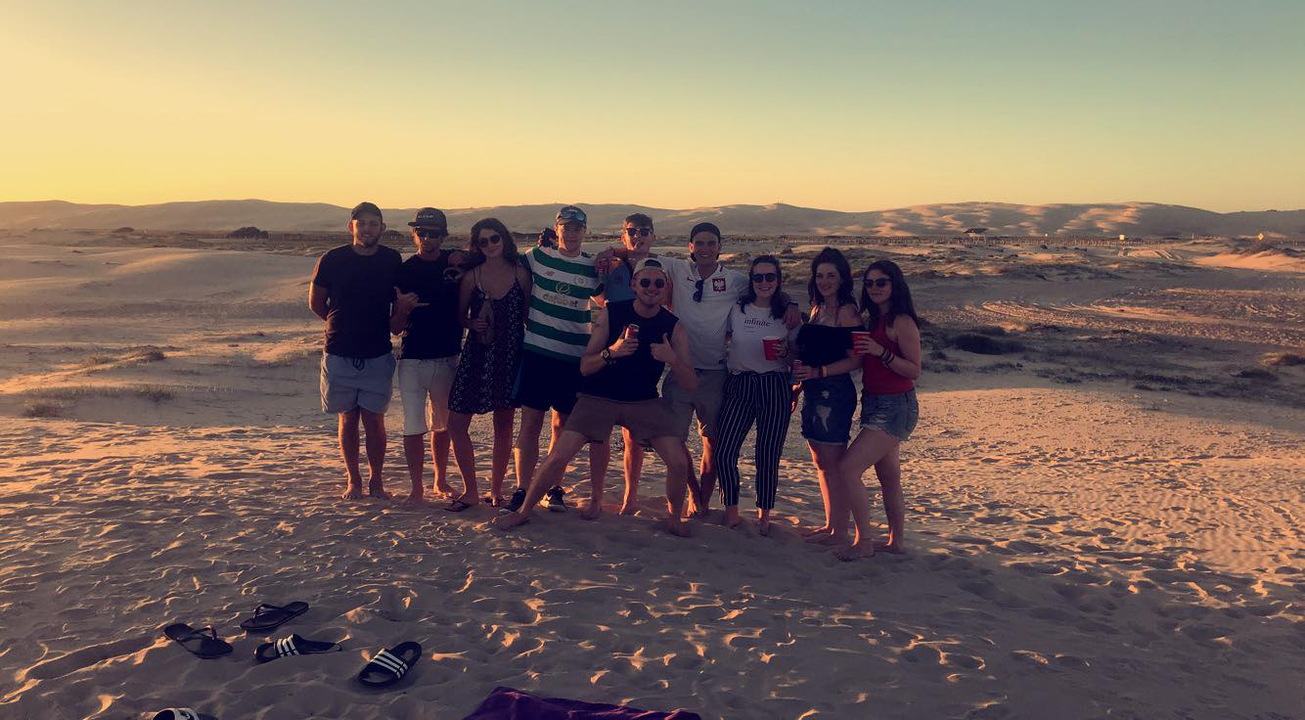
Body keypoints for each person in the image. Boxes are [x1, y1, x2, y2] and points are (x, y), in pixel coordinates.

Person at [610, 222, 800, 517]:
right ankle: (693, 492)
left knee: (713, 442)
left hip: (715, 373)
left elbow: (766, 287)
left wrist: (791, 302)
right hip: (680, 369)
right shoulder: (675, 268)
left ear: (720, 248)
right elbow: (640, 253)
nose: (705, 249)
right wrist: (611, 251)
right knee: (674, 438)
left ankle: (703, 501)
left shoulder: (735, 280)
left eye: (711, 243)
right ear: (691, 247)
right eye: (700, 243)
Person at [493, 258, 694, 534]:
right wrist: (613, 351)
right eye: (645, 282)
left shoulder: (673, 326)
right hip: (598, 397)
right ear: (634, 284)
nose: (652, 288)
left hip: (643, 401)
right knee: (558, 455)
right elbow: (585, 367)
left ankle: (674, 520)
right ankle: (524, 511)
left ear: (666, 287)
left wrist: (672, 358)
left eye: (658, 283)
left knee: (679, 461)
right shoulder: (613, 313)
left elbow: (691, 382)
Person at [504, 205, 610, 515]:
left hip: (572, 356)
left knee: (562, 426)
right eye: (566, 225)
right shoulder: (537, 257)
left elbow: (606, 301)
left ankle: (553, 488)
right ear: (557, 228)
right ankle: (523, 488)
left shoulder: (592, 267)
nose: (572, 231)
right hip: (537, 352)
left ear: (585, 231)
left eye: (578, 227)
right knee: (530, 423)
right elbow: (506, 265)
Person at [308, 201, 405, 501]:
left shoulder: (391, 260)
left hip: (377, 352)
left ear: (382, 228)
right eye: (361, 223)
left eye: (373, 223)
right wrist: (340, 324)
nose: (367, 229)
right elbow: (316, 303)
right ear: (351, 227)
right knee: (347, 418)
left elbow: (397, 307)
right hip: (339, 352)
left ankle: (376, 481)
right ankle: (354, 480)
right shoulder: (332, 259)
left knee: (374, 420)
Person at [835, 260, 922, 560]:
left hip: (896, 405)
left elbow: (913, 370)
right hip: (873, 401)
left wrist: (880, 352)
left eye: (881, 282)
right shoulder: (872, 320)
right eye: (869, 283)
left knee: (847, 468)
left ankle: (864, 541)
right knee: (889, 478)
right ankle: (896, 541)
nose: (874, 288)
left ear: (894, 284)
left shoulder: (902, 322)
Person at [447, 218, 531, 509]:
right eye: (482, 242)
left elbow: (529, 319)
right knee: (456, 422)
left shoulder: (521, 274)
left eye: (494, 239)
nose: (490, 245)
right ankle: (470, 490)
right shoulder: (472, 277)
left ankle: (495, 490)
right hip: (477, 354)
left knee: (504, 427)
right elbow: (460, 318)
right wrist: (473, 322)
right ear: (477, 246)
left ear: (504, 239)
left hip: (510, 354)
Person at [713, 256, 800, 535]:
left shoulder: (788, 315)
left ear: (778, 280)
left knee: (767, 453)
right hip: (739, 384)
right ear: (751, 281)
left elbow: (798, 356)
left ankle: (764, 513)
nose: (764, 283)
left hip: (774, 386)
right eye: (758, 277)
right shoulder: (737, 309)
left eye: (770, 277)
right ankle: (732, 509)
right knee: (724, 450)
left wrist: (787, 354)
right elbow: (722, 337)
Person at [388, 208, 467, 507]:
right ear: (414, 234)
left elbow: (483, 256)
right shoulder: (405, 271)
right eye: (421, 232)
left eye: (434, 233)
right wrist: (403, 309)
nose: (427, 238)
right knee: (413, 424)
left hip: (448, 357)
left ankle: (440, 479)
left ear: (443, 236)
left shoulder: (454, 261)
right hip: (412, 359)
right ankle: (416, 488)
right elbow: (394, 329)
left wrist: (464, 256)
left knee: (443, 425)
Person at [791, 247, 862, 546]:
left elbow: (857, 359)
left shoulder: (847, 312)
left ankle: (840, 530)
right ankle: (831, 524)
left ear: (842, 278)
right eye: (820, 275)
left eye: (831, 275)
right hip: (812, 390)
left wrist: (820, 372)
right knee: (821, 461)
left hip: (834, 392)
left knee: (833, 462)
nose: (825, 280)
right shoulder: (817, 308)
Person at [601, 213, 657, 514]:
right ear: (623, 235)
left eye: (644, 231)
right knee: (602, 430)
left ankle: (630, 497)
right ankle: (597, 494)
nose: (638, 236)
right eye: (631, 232)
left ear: (653, 236)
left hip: (645, 357)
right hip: (612, 352)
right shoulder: (610, 267)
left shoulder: (662, 268)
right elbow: (598, 300)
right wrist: (611, 254)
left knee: (633, 435)